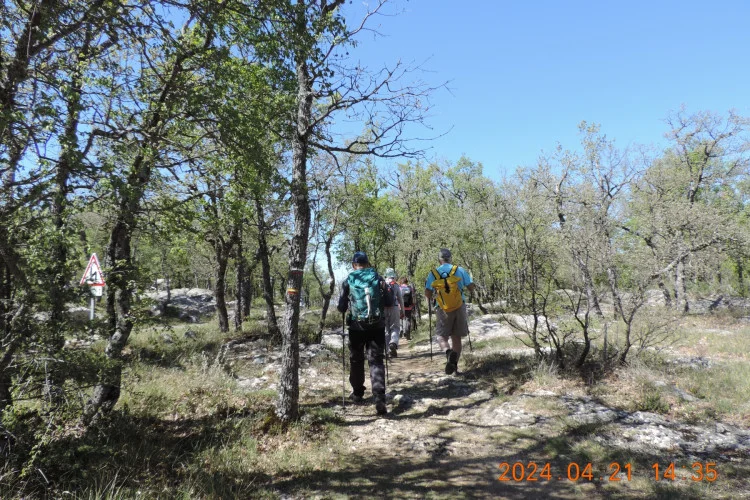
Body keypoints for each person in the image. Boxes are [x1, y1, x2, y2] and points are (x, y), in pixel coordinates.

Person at [337, 251, 387, 415]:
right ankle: (379, 396)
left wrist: (345, 306)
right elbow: (388, 300)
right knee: (376, 361)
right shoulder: (378, 278)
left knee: (356, 360)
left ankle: (358, 392)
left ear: (354, 265)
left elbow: (342, 307)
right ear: (368, 263)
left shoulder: (348, 280)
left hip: (356, 327)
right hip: (377, 326)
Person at [424, 248, 475, 375]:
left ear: (439, 259)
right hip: (459, 306)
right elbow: (470, 287)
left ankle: (448, 353)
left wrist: (432, 298)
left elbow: (427, 292)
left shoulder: (434, 273)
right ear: (450, 258)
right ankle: (454, 368)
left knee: (441, 336)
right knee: (456, 338)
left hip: (442, 308)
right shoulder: (460, 270)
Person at [382, 268, 405, 358]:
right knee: (395, 328)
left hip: (384, 309)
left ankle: (387, 350)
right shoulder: (395, 285)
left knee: (386, 329)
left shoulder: (383, 283)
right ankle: (393, 342)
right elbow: (400, 299)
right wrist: (402, 310)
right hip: (394, 308)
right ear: (394, 275)